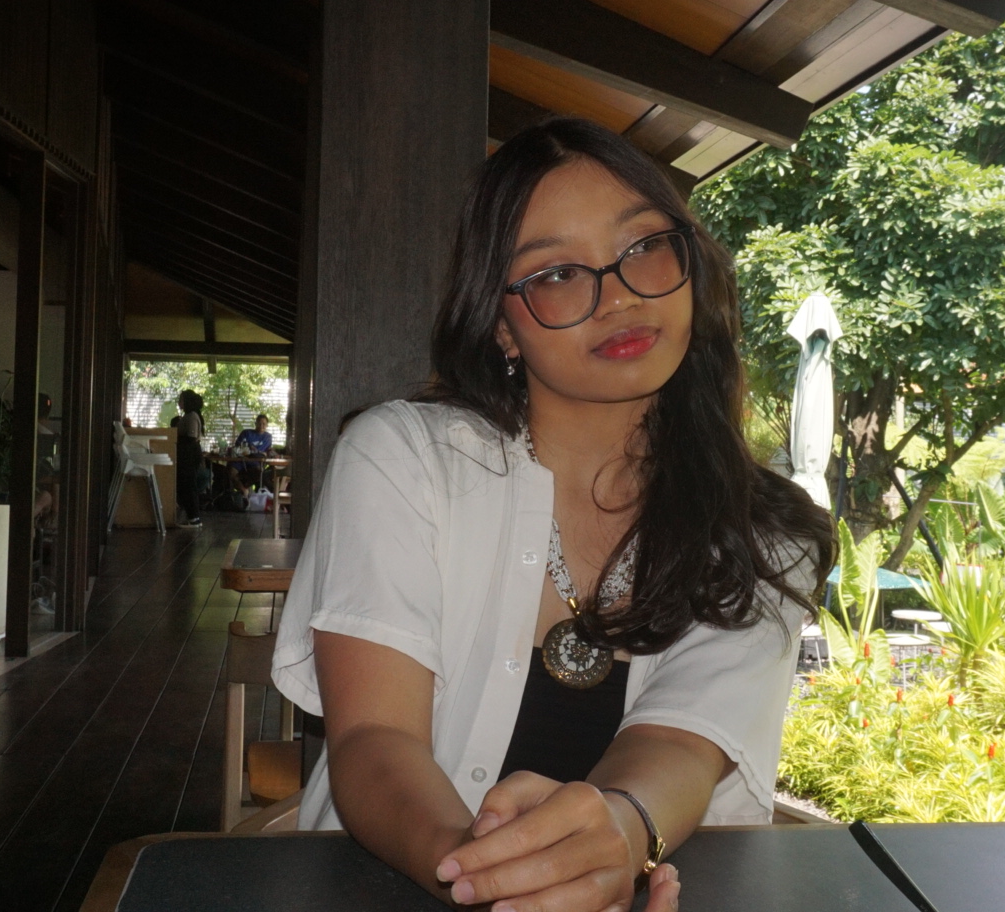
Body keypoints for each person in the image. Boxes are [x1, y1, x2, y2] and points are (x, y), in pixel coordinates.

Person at [272, 117, 831, 912]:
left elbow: (679, 743)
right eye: (559, 273)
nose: (619, 295)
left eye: (644, 246)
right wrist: (484, 876)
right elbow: (374, 738)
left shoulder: (764, 533)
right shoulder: (403, 459)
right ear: (502, 325)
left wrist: (616, 839)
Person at [174, 390, 209, 529]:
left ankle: (194, 518)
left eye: (181, 399)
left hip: (189, 454)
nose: (179, 402)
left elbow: (191, 437)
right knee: (185, 485)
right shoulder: (187, 416)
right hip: (186, 454)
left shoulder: (192, 416)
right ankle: (190, 516)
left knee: (189, 485)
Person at [229, 413, 275, 492]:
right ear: (255, 423)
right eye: (259, 423)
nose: (261, 425)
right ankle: (244, 491)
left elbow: (267, 451)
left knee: (259, 473)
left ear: (267, 425)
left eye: (264, 424)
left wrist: (261, 452)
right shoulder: (246, 433)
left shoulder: (268, 437)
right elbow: (238, 446)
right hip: (241, 460)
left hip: (255, 462)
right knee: (231, 472)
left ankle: (246, 491)